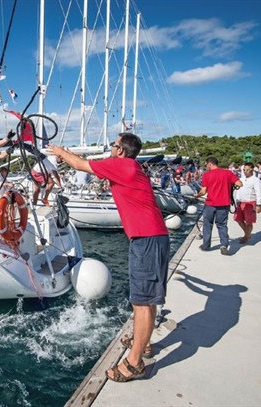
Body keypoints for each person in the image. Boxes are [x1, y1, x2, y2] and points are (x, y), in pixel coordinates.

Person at [48, 133, 169, 383]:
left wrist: (59, 152)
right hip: (149, 237)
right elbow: (85, 162)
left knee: (142, 301)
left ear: (121, 151)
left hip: (147, 238)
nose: (110, 148)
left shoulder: (121, 166)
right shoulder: (128, 166)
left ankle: (135, 364)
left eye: (113, 145)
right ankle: (142, 343)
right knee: (144, 298)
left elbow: (80, 165)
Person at [194, 157, 243, 255]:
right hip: (224, 204)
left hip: (210, 204)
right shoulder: (228, 173)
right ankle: (224, 245)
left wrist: (197, 195)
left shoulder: (206, 175)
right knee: (222, 225)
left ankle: (206, 246)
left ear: (210, 164)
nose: (206, 166)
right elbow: (239, 184)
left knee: (207, 225)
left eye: (206, 164)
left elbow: (204, 191)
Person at [234, 162, 261, 244]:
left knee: (249, 221)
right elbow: (238, 190)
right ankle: (248, 234)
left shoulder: (256, 180)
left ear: (252, 170)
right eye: (244, 170)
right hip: (241, 202)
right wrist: (237, 201)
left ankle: (246, 237)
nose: (245, 171)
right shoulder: (241, 179)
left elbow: (258, 192)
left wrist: (259, 205)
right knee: (238, 219)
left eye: (247, 170)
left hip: (250, 202)